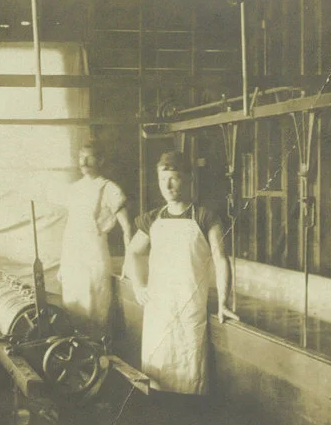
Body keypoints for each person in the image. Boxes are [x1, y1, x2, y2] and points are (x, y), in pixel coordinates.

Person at [125, 150, 233, 395]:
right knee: (157, 374)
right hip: (158, 311)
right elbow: (133, 252)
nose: (169, 185)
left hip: (189, 308)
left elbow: (221, 259)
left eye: (174, 178)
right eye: (163, 180)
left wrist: (224, 302)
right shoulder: (152, 219)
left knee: (190, 373)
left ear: (188, 179)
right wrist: (138, 285)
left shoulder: (205, 217)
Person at [58, 143, 133, 333]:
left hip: (95, 256)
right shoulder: (74, 189)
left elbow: (127, 228)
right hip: (73, 256)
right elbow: (70, 229)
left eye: (89, 157)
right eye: (81, 157)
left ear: (100, 161)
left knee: (95, 309)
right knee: (73, 308)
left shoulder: (109, 188)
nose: (83, 161)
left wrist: (129, 262)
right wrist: (62, 263)